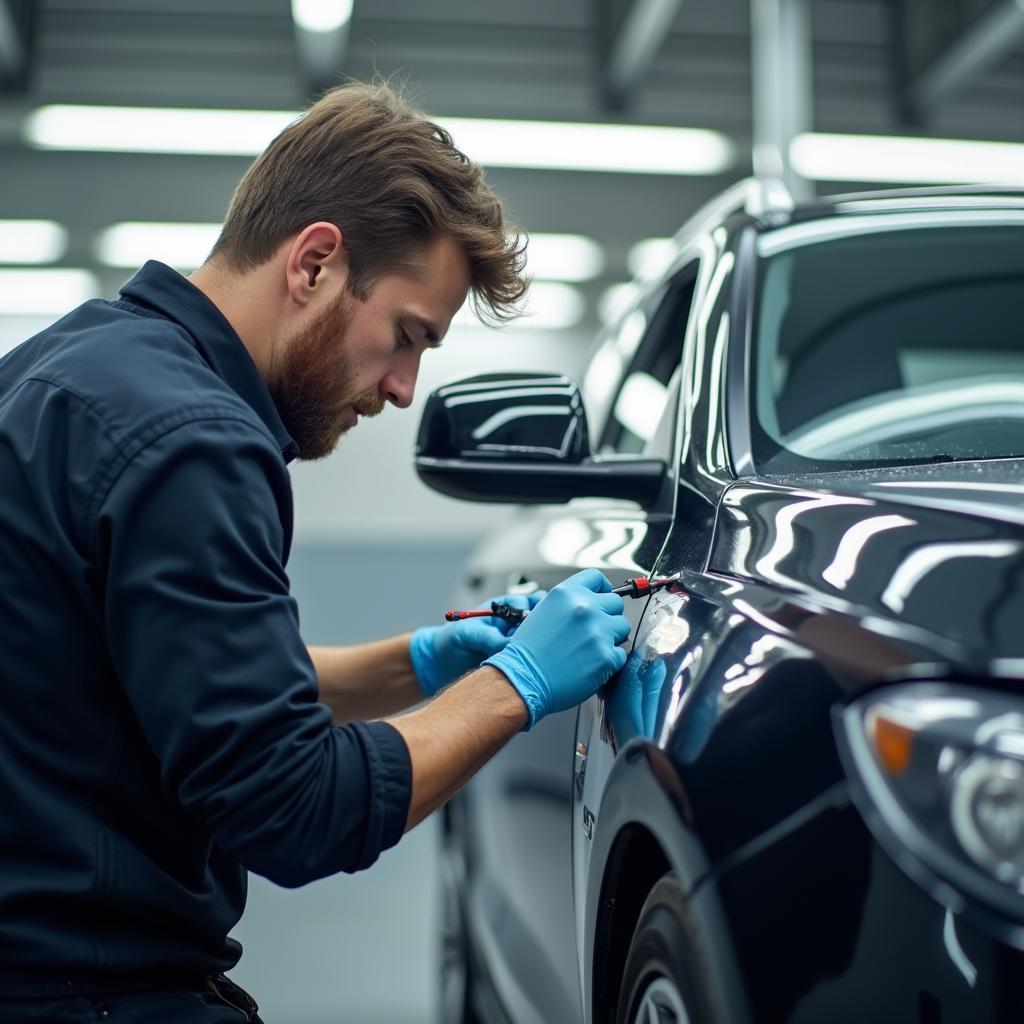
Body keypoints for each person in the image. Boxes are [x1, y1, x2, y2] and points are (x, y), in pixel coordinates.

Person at [0, 81, 630, 1022]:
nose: (407, 388)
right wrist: (517, 689)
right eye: (408, 335)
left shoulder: (68, 365)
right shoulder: (193, 442)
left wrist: (417, 662)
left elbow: (173, 681)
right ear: (316, 264)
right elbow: (295, 811)